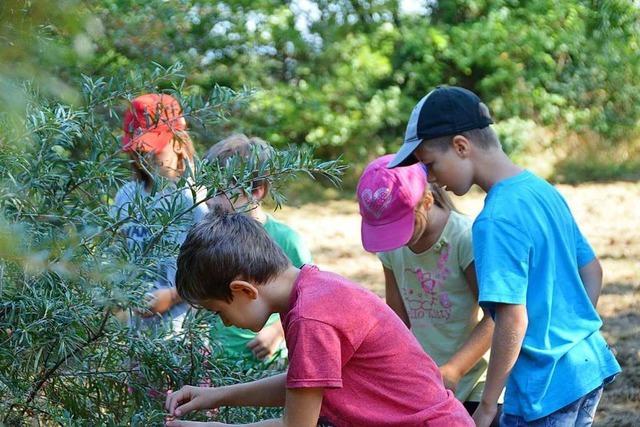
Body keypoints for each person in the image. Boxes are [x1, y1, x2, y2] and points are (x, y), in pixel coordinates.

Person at [388, 85, 621, 426]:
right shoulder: (541, 190)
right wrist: (572, 337)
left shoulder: (494, 220)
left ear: (461, 146)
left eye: (431, 165)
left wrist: (486, 407)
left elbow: (512, 318)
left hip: (541, 388)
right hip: (584, 367)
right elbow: (591, 270)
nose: (432, 180)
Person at [164, 208, 474, 427]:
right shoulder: (310, 292)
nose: (225, 323)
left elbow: (296, 425)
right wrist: (213, 397)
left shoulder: (311, 317)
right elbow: (305, 384)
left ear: (244, 290)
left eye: (219, 311)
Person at [356, 154, 499, 423]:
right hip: (428, 381)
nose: (396, 239)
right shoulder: (393, 249)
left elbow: (496, 317)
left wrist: (455, 369)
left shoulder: (464, 238)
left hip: (477, 378)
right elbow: (397, 319)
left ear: (427, 202)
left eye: (400, 226)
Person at [203, 134, 312, 361]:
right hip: (217, 361)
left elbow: (309, 301)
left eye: (220, 192)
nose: (209, 202)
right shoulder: (211, 238)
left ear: (257, 190)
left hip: (265, 363)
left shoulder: (286, 240)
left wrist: (276, 333)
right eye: (207, 190)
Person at [112, 93, 208, 332]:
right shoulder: (127, 196)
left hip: (181, 333)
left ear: (177, 142)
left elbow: (213, 271)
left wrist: (173, 296)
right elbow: (116, 253)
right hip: (132, 333)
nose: (144, 159)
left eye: (152, 149)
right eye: (138, 150)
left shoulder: (195, 200)